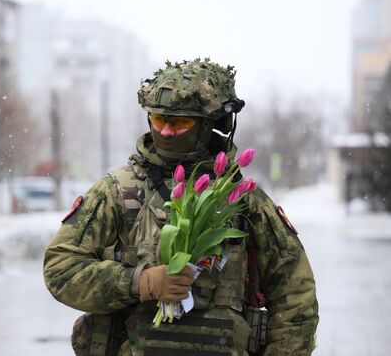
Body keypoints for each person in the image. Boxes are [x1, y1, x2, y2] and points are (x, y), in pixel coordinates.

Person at [43, 58, 318, 356]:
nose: (166, 132)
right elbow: (61, 270)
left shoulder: (244, 198)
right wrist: (140, 282)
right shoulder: (117, 192)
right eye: (159, 120)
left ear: (211, 125)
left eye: (180, 123)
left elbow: (295, 298)